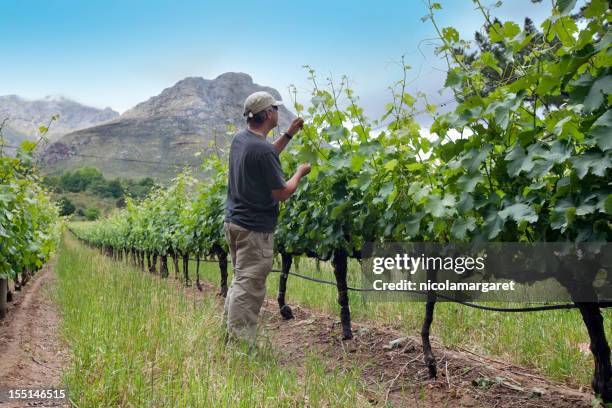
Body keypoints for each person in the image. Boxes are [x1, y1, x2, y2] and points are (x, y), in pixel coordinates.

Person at [223, 90, 311, 345]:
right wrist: (299, 173)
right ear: (268, 114)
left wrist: (289, 134)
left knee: (240, 280)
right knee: (249, 288)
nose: (278, 112)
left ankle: (229, 336)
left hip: (235, 223)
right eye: (276, 108)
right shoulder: (261, 150)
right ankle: (240, 346)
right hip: (254, 230)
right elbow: (282, 192)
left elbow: (267, 154)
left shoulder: (242, 140)